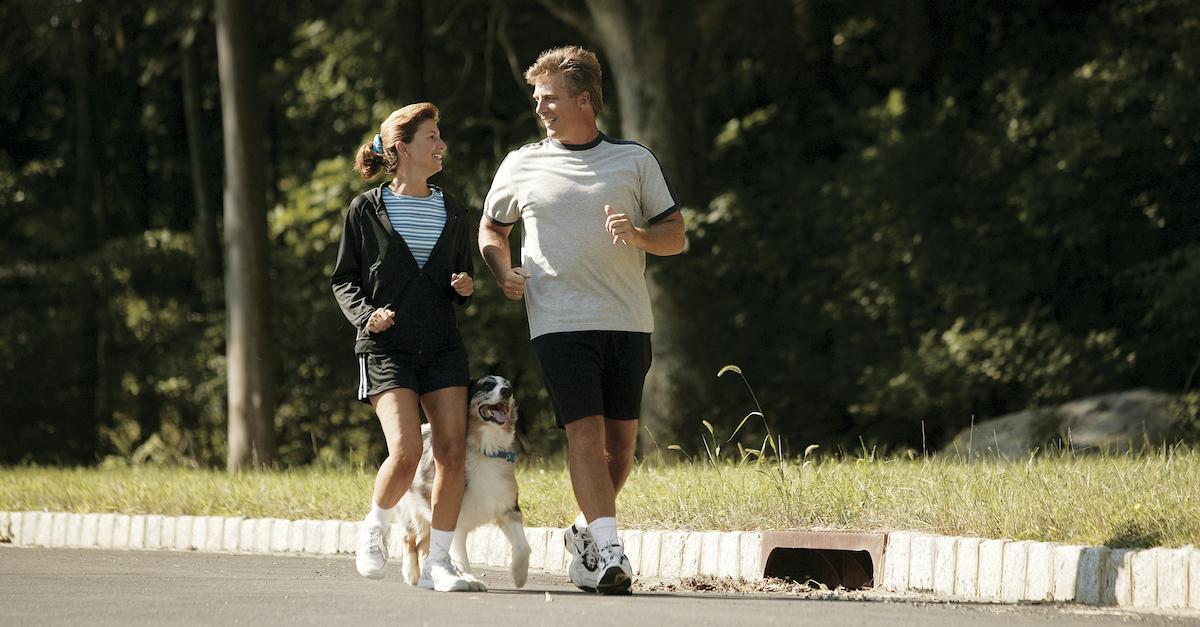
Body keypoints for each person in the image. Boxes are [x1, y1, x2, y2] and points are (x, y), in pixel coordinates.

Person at [478, 46, 686, 595]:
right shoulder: (522, 163)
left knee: (622, 448)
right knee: (585, 434)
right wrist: (503, 270)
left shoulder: (633, 160)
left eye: (549, 98)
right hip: (559, 321)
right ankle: (611, 551)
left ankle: (584, 533)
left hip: (627, 319)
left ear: (584, 99)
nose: (540, 108)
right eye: (537, 99)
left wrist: (640, 236)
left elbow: (676, 234)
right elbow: (491, 230)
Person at [331, 102, 482, 592]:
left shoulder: (456, 210)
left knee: (453, 453)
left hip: (442, 346)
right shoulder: (366, 209)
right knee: (406, 450)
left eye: (440, 135)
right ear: (402, 147)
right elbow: (344, 280)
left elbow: (461, 273)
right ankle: (376, 525)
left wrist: (465, 284)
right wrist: (366, 316)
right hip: (386, 348)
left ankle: (440, 561)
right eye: (432, 137)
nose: (441, 145)